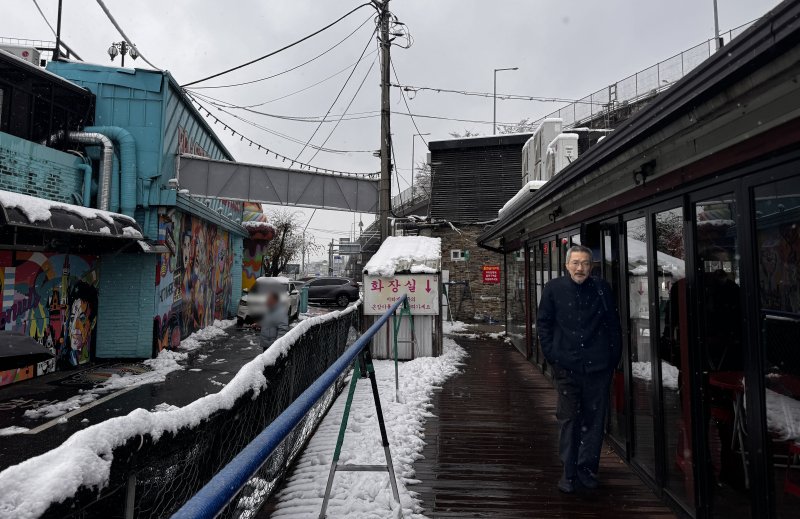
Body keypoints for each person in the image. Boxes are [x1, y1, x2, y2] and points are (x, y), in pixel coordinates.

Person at [537, 245, 622, 493]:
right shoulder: (554, 288)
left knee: (594, 422)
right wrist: (553, 357)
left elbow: (613, 325)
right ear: (566, 265)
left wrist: (612, 358)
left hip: (598, 368)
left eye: (585, 263)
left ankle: (587, 470)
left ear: (591, 266)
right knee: (569, 420)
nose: (580, 268)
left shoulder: (601, 288)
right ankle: (569, 471)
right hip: (567, 367)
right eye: (575, 262)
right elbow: (544, 324)